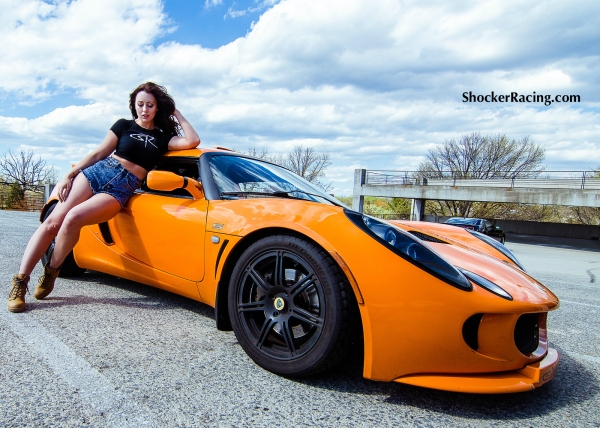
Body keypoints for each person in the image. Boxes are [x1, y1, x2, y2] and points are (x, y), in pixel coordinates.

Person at [7, 82, 200, 313]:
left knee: (73, 219)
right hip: (97, 172)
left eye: (150, 105)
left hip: (121, 188)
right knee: (53, 221)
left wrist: (175, 111)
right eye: (140, 104)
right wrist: (71, 172)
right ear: (134, 106)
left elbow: (192, 140)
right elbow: (99, 152)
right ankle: (20, 281)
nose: (145, 109)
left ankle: (51, 270)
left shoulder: (162, 138)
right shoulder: (123, 125)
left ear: (157, 108)